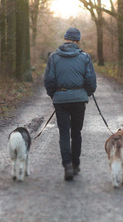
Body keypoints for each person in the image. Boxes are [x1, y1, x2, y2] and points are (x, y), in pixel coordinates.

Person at [44, 27, 97, 181]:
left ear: (65, 39)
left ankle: (67, 165)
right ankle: (75, 164)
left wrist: (54, 95)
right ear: (78, 41)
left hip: (60, 100)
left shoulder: (54, 57)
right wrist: (86, 93)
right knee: (76, 133)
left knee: (64, 133)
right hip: (79, 100)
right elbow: (90, 81)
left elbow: (49, 81)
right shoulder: (85, 57)